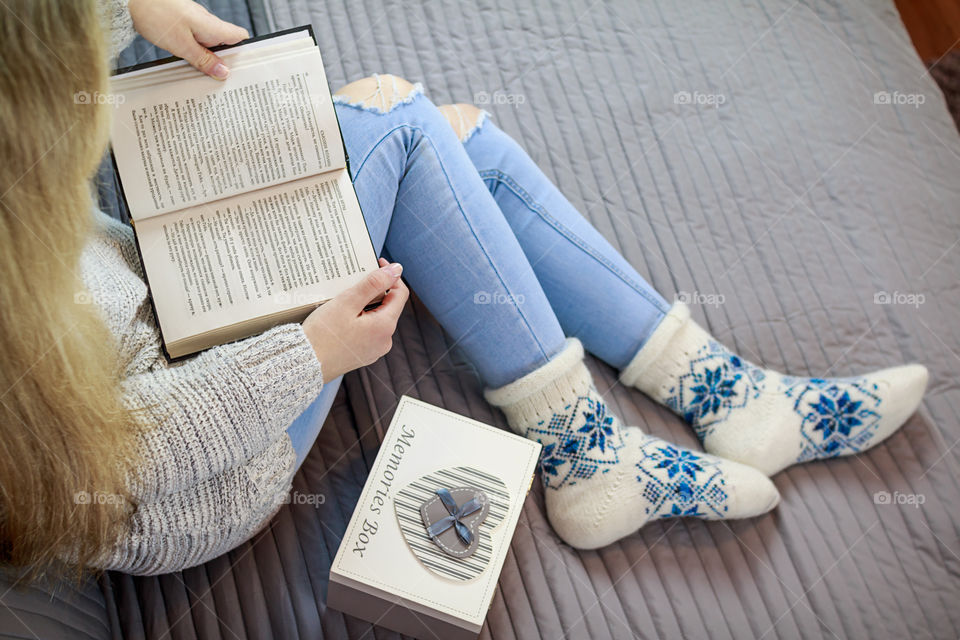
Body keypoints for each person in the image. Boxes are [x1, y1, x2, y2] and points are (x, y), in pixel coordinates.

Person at [0, 0, 927, 577]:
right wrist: (310, 354)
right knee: (404, 120)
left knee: (455, 138)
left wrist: (130, 8)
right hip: (202, 466)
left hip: (167, 300)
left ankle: (721, 391)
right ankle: (590, 452)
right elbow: (121, 463)